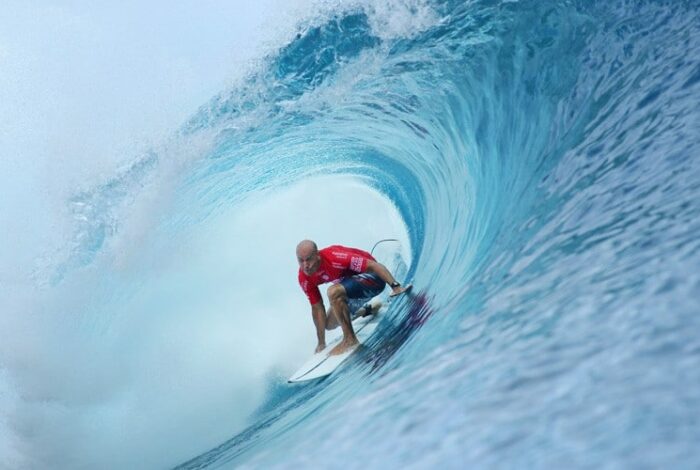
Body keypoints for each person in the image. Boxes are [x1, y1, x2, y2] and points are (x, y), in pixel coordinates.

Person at [296, 240, 411, 356]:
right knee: (329, 324)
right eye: (301, 260)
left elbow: (373, 265)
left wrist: (395, 287)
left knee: (333, 292)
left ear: (317, 255)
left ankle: (350, 339)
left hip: (374, 280)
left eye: (309, 259)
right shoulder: (304, 277)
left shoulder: (334, 257)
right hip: (353, 291)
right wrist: (321, 343)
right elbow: (317, 308)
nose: (305, 265)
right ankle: (366, 310)